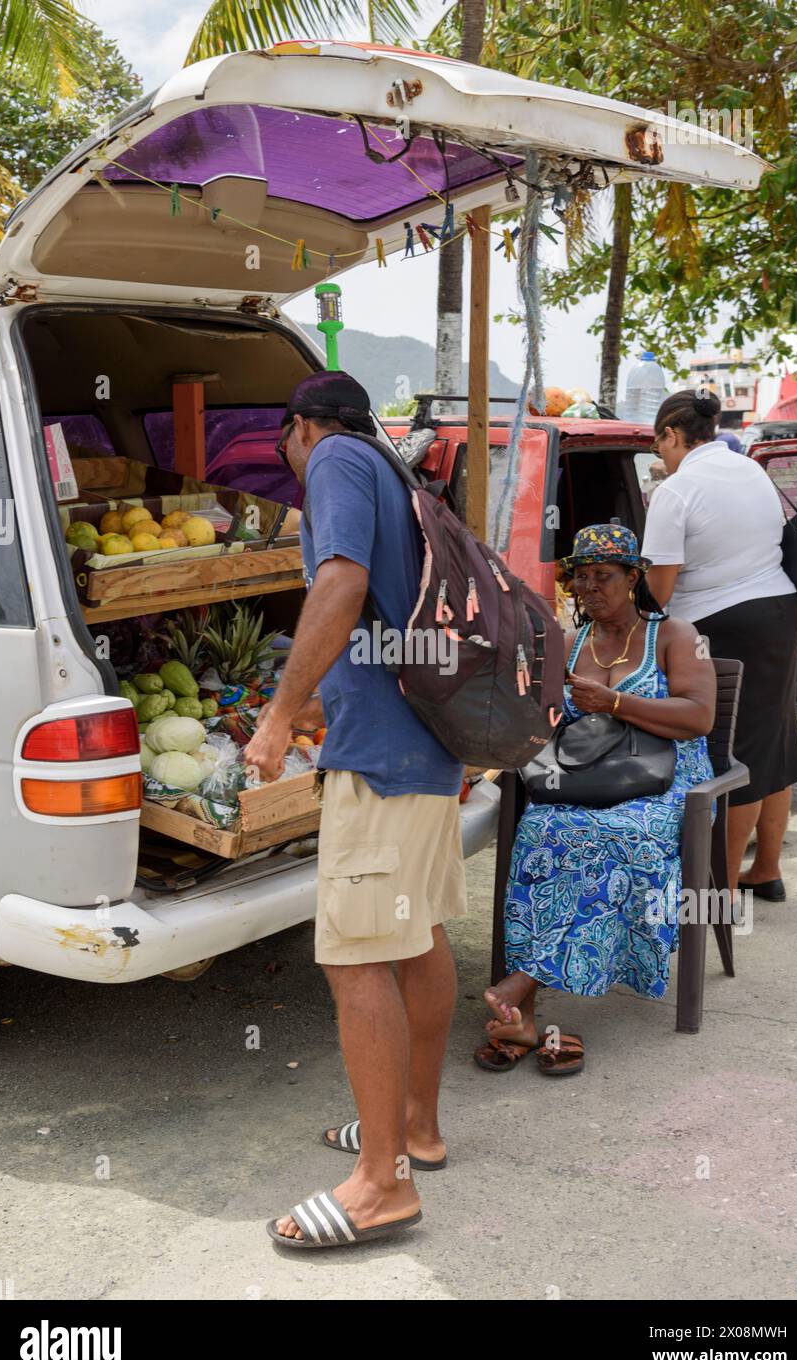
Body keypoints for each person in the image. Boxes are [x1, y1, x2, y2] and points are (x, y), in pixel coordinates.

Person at [245, 371, 466, 1250]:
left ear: (301, 429)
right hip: (427, 741)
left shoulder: (335, 457)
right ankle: (413, 1129)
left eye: (281, 450)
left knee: (355, 958)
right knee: (417, 936)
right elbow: (382, 617)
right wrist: (316, 700)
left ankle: (382, 1185)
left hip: (379, 757)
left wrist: (271, 716)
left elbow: (338, 585)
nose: (291, 464)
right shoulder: (394, 468)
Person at [475, 524, 716, 1074]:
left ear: (634, 577)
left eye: (602, 576)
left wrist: (613, 703)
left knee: (618, 836)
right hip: (587, 778)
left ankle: (524, 983)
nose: (588, 588)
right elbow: (548, 724)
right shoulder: (568, 640)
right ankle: (529, 1018)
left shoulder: (677, 634)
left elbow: (700, 716)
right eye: (579, 579)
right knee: (541, 830)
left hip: (667, 783)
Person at [643, 389, 797, 901]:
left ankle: (721, 890)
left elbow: (659, 592)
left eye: (658, 446)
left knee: (733, 756)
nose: (660, 458)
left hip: (726, 624)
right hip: (781, 611)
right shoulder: (749, 468)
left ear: (672, 434)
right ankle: (766, 871)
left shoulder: (677, 490)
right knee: (771, 740)